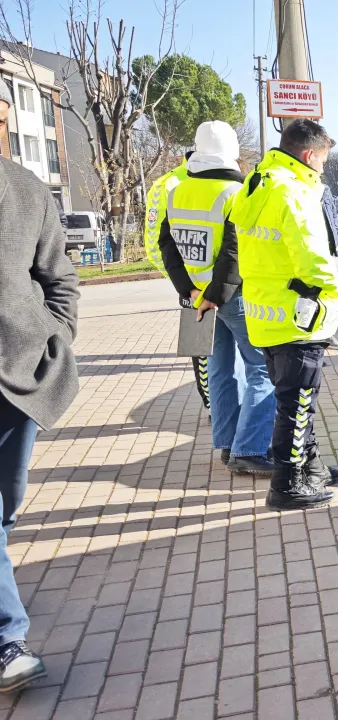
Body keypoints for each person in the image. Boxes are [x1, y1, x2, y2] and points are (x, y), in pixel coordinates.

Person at [0, 79, 78, 690]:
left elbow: (60, 278)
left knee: (5, 505)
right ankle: (7, 638)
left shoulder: (25, 190)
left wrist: (57, 336)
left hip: (17, 378)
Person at [232, 119, 338, 510]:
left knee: (291, 400)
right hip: (299, 314)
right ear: (309, 155)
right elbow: (311, 255)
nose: (323, 169)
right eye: (324, 161)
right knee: (297, 405)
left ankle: (308, 468)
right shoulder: (294, 190)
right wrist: (332, 295)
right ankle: (288, 483)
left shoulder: (258, 183)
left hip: (267, 311)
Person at [158, 121, 276, 477]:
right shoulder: (235, 192)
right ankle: (250, 449)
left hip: (199, 299)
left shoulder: (177, 191)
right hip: (234, 297)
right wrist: (215, 294)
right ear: (233, 152)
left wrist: (192, 292)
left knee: (220, 370)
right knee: (262, 370)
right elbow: (234, 250)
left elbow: (167, 245)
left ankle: (226, 444)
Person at [145, 152, 213, 412]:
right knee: (202, 348)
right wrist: (185, 285)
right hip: (193, 289)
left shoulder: (232, 179)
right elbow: (155, 242)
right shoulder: (168, 184)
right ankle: (212, 405)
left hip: (229, 287)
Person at [318, 184, 338, 351]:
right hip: (306, 246)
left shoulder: (324, 189)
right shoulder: (295, 188)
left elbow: (333, 215)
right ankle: (320, 339)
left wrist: (333, 233)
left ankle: (326, 335)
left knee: (328, 296)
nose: (322, 168)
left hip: (325, 248)